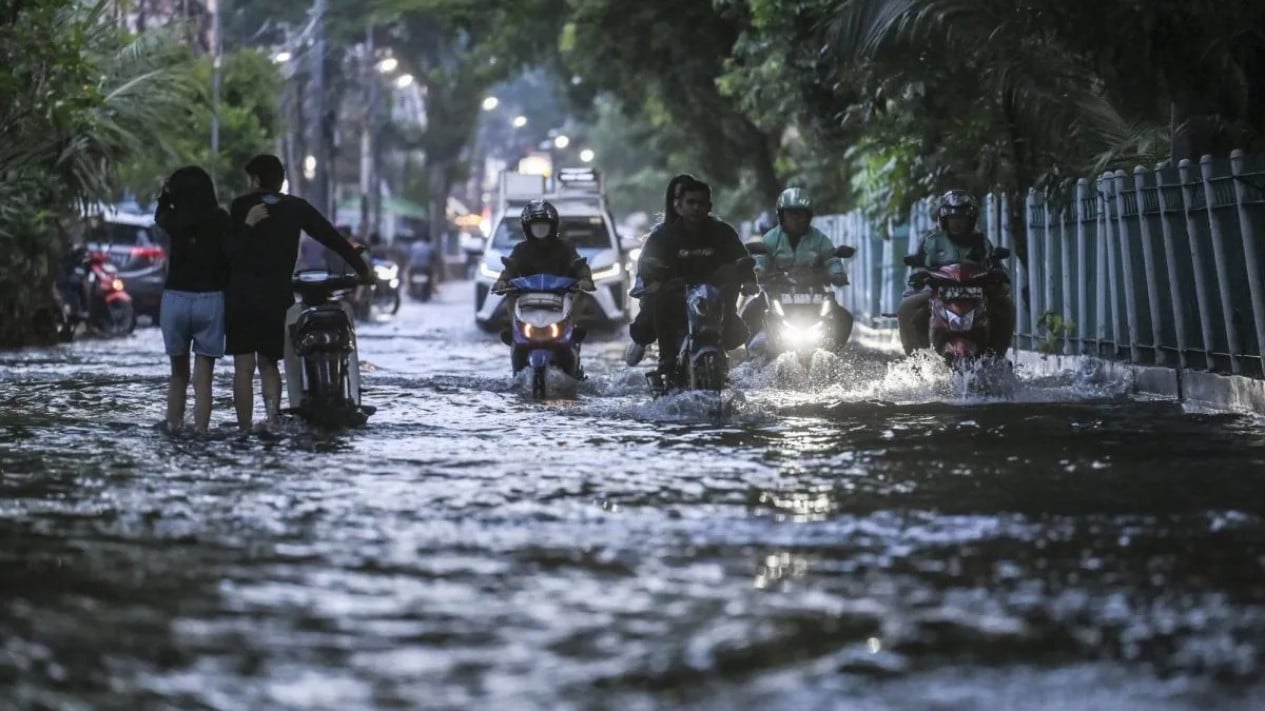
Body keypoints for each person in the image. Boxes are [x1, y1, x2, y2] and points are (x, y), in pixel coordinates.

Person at [225, 154, 373, 432]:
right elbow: (329, 236)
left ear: (255, 180)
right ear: (280, 181)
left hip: (242, 298)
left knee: (243, 367)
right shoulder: (296, 207)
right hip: (277, 297)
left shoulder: (241, 206)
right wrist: (360, 266)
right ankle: (271, 422)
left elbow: (231, 250)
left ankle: (244, 429)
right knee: (269, 364)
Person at [624, 175, 750, 372]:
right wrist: (655, 281)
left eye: (701, 203)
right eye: (690, 203)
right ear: (678, 205)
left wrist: (748, 278)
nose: (696, 208)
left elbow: (741, 258)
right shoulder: (662, 236)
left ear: (709, 206)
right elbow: (648, 265)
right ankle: (664, 358)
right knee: (656, 304)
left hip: (714, 297)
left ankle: (723, 345)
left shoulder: (723, 232)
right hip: (675, 293)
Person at [153, 166, 231, 434]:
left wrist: (165, 195)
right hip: (210, 300)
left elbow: (159, 216)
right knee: (203, 379)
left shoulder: (174, 220)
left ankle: (174, 425)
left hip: (175, 299)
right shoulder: (221, 219)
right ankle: (201, 430)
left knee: (178, 376)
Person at [897, 189, 1015, 356]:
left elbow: (994, 263)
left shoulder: (980, 241)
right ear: (944, 219)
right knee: (906, 307)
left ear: (971, 219)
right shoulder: (930, 240)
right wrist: (919, 277)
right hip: (937, 290)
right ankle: (913, 358)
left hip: (976, 291)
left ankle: (998, 356)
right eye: (953, 218)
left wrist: (999, 275)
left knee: (1006, 304)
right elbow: (918, 266)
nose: (957, 223)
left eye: (962, 218)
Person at [741, 187, 854, 347]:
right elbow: (762, 260)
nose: (796, 218)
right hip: (777, 291)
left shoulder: (819, 238)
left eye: (801, 214)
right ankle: (753, 359)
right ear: (782, 216)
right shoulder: (772, 238)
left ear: (808, 216)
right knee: (750, 312)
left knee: (844, 318)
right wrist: (756, 276)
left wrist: (837, 273)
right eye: (791, 214)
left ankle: (834, 353)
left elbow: (831, 258)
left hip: (814, 292)